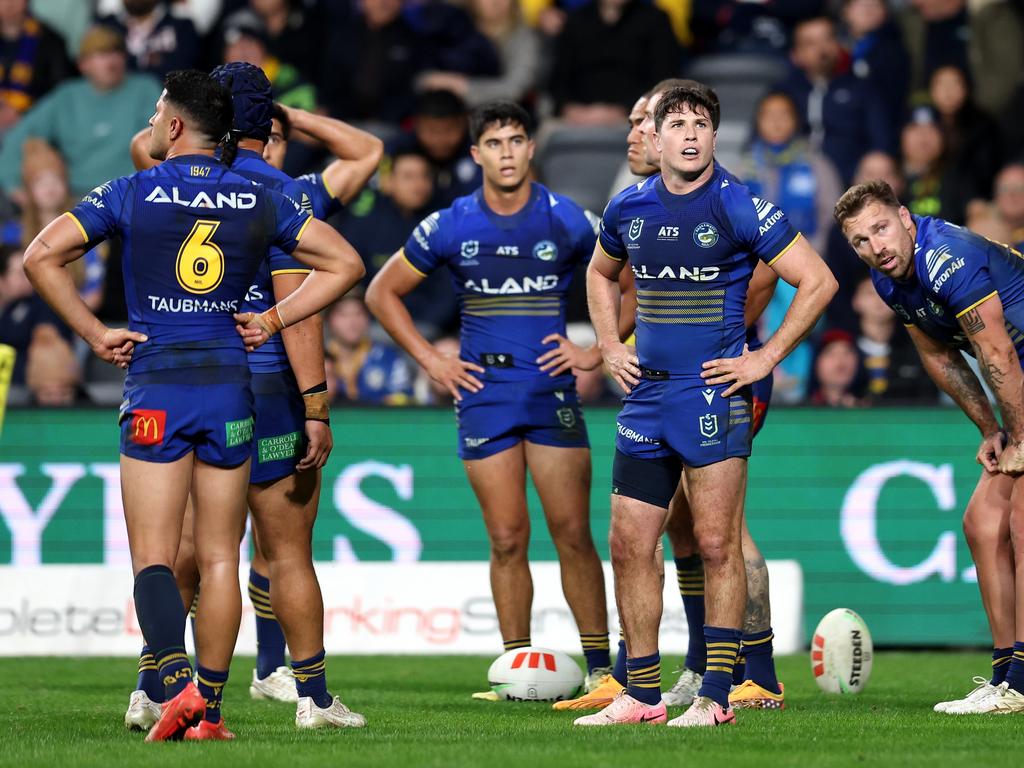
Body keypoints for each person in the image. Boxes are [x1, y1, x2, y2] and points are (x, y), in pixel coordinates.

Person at [22, 69, 363, 741]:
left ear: (175, 127)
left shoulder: (133, 190)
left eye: (155, 114)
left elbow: (40, 257)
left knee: (155, 556)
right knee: (218, 560)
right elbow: (347, 264)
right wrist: (271, 320)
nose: (149, 124)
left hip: (157, 384)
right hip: (230, 387)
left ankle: (170, 685)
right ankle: (208, 711)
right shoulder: (260, 196)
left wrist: (94, 333)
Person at [124, 62, 374, 735]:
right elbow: (305, 309)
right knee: (284, 551)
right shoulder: (279, 191)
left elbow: (143, 147)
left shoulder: (164, 180)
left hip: (182, 376)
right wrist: (317, 404)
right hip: (264, 382)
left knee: (180, 552)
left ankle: (156, 685)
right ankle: (312, 698)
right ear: (271, 123)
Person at [580, 82, 836, 727]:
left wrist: (764, 356)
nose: (690, 134)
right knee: (629, 542)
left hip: (713, 395)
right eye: (678, 124)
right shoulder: (628, 207)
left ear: (715, 137)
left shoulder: (740, 205)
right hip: (646, 396)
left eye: (702, 124)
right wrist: (610, 342)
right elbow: (599, 273)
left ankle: (715, 697)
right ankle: (640, 695)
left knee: (718, 544)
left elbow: (819, 279)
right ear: (656, 137)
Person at [366, 101, 613, 697]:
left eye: (517, 140)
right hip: (483, 395)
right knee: (506, 537)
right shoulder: (451, 223)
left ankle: (605, 673)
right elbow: (381, 293)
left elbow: (623, 278)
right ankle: (513, 671)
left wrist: (598, 350)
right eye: (495, 143)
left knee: (572, 533)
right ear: (476, 154)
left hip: (550, 390)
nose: (507, 152)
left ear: (532, 148)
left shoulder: (566, 219)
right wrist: (432, 360)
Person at [835, 179, 1024, 713]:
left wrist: (1021, 438)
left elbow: (999, 356)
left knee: (1020, 521)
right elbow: (940, 357)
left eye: (881, 228)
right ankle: (1006, 676)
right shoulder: (887, 279)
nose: (876, 246)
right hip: (1018, 381)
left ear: (905, 217)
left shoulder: (948, 259)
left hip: (1018, 369)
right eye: (861, 241)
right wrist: (991, 430)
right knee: (982, 524)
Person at [0, 25, 161, 196]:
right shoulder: (66, 96)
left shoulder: (146, 89)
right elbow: (19, 136)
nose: (111, 61)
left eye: (116, 52)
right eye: (101, 54)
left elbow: (165, 143)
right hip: (78, 196)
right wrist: (14, 187)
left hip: (134, 191)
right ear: (83, 64)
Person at [338, 148, 457, 338]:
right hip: (373, 328)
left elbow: (449, 292)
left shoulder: (444, 224)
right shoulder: (364, 225)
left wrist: (427, 329)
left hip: (430, 329)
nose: (419, 185)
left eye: (425, 176)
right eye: (408, 177)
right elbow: (350, 281)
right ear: (388, 182)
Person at [774, 16, 894, 184]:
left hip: (850, 184)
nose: (822, 49)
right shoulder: (784, 91)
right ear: (796, 55)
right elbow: (758, 139)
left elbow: (881, 143)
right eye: (810, 43)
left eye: (827, 39)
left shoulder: (863, 88)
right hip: (791, 183)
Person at [550, 0, 679, 126]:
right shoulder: (574, 21)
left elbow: (664, 81)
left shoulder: (656, 21)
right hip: (575, 119)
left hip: (637, 119)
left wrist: (623, 111)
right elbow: (558, 80)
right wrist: (571, 110)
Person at [417, 0, 542, 107]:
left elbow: (514, 89)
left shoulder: (524, 38)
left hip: (505, 118)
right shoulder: (451, 25)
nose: (495, 2)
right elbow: (421, 79)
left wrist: (461, 86)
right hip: (446, 113)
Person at [386, 89, 481, 209]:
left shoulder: (481, 152)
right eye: (431, 130)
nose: (439, 139)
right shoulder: (397, 150)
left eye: (448, 130)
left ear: (464, 123)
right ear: (416, 125)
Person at [326, 293, 413, 405]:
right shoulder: (317, 359)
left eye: (359, 314)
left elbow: (404, 397)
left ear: (368, 319)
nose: (352, 322)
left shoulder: (388, 357)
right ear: (329, 320)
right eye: (343, 315)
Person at [0, 0, 72, 129]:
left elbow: (61, 92)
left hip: (34, 123)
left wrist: (23, 114)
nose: (8, 4)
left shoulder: (51, 41)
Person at [98, 0, 201, 78]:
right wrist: (150, 59)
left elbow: (183, 70)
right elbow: (102, 70)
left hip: (171, 100)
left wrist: (131, 61)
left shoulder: (182, 26)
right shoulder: (106, 26)